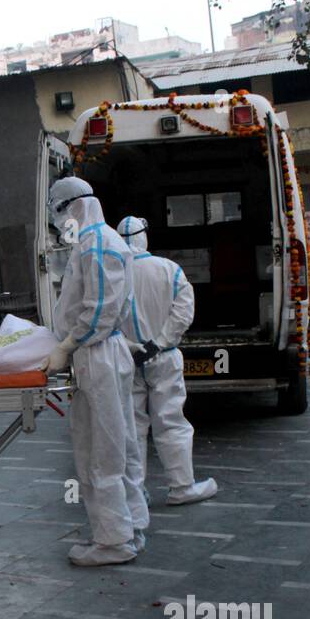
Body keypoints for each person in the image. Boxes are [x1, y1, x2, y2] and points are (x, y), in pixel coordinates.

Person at [42, 177, 145, 566]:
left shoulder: (96, 245)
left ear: (72, 208)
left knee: (98, 451)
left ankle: (112, 541)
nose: (58, 224)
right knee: (122, 444)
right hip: (103, 350)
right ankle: (131, 525)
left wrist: (66, 345)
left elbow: (98, 308)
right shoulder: (99, 242)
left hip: (95, 353)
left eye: (59, 214)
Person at [117, 216, 217, 506]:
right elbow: (183, 314)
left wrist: (131, 346)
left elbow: (103, 320)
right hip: (164, 359)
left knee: (132, 428)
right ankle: (181, 486)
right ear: (144, 236)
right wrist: (158, 343)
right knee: (171, 422)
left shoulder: (110, 274)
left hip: (127, 361)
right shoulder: (170, 270)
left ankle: (135, 494)